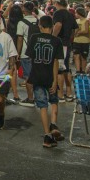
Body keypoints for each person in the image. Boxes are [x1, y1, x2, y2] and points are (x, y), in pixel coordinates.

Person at [25, 15, 62, 147]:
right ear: (52, 26)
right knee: (54, 101)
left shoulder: (34, 38)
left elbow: (30, 57)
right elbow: (56, 62)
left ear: (40, 26)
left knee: (42, 106)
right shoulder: (56, 41)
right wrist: (55, 81)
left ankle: (47, 135)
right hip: (50, 76)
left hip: (37, 76)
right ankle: (54, 124)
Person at [16, 1, 39, 106]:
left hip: (26, 53)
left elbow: (20, 39)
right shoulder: (38, 21)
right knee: (36, 75)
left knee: (28, 77)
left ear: (24, 10)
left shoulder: (21, 23)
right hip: (37, 52)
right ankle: (38, 97)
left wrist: (18, 52)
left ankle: (30, 98)